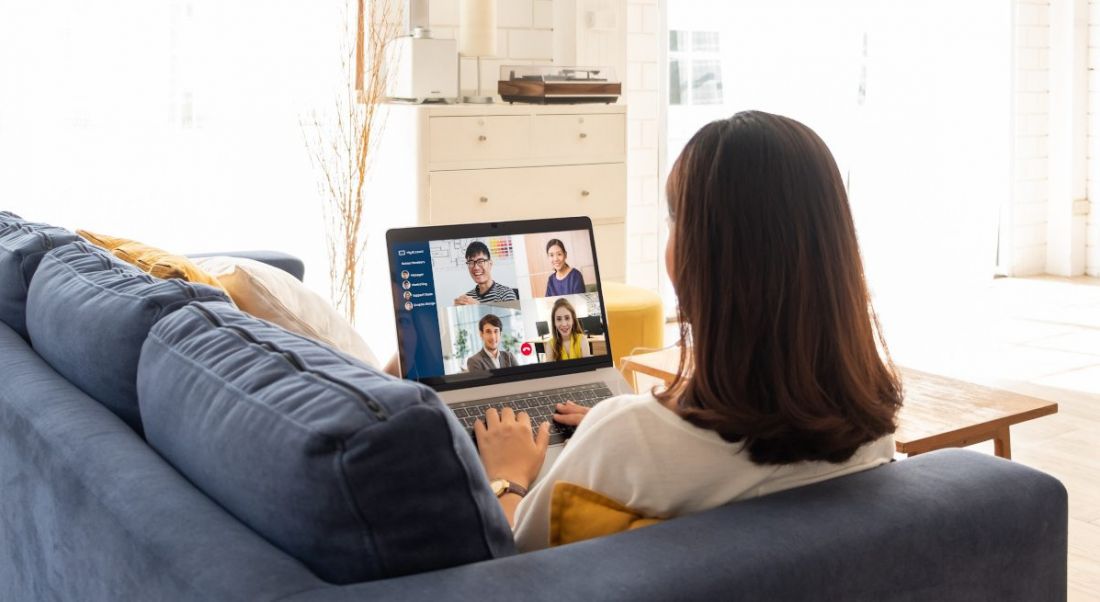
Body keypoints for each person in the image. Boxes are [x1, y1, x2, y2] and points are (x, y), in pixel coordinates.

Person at [472, 111, 904, 551]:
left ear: (700, 257)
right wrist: (622, 426)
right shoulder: (872, 434)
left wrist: (507, 477)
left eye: (674, 220)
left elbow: (515, 565)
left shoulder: (627, 440)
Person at [454, 241, 518, 305]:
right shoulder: (467, 298)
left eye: (480, 261)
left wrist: (478, 307)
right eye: (471, 262)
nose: (476, 267)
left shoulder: (506, 294)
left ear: (490, 263)